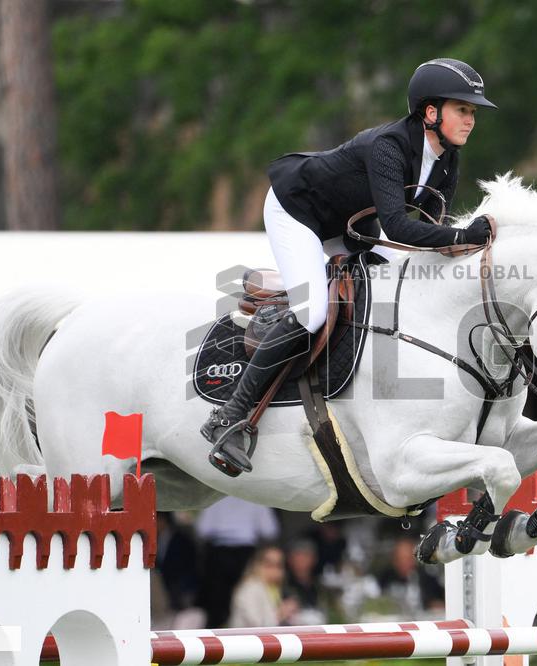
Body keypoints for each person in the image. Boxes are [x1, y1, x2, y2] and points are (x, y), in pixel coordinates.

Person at [201, 58, 498, 476]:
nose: (470, 120)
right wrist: (461, 236)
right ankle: (228, 416)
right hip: (298, 212)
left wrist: (458, 244)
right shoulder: (389, 146)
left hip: (350, 223)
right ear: (430, 112)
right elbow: (398, 226)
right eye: (462, 109)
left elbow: (428, 233)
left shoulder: (447, 159)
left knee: (406, 279)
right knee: (312, 312)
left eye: (472, 112)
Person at [195, 496, 280, 628]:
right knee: (232, 598)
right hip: (242, 552)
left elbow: (203, 529)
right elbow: (270, 530)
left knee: (234, 598)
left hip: (221, 553)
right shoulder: (255, 495)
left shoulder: (215, 495)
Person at [228, 543, 298, 628]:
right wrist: (280, 613)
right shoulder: (250, 588)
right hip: (245, 639)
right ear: (258, 565)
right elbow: (255, 624)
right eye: (269, 565)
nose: (275, 570)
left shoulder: (275, 588)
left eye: (279, 565)